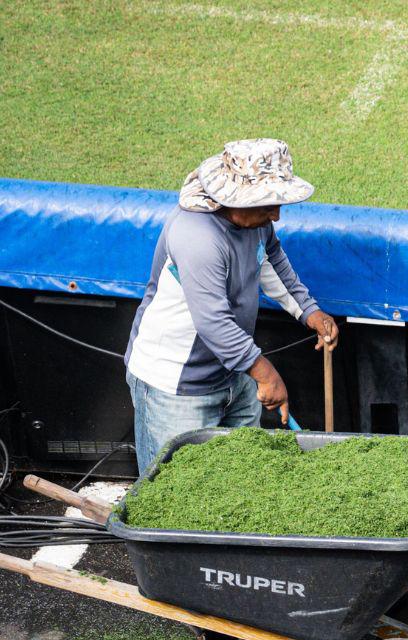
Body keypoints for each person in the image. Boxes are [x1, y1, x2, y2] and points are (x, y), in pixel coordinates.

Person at [124, 138, 339, 473]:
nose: (277, 215)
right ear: (232, 199)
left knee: (238, 479)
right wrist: (266, 375)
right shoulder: (198, 238)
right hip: (177, 389)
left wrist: (308, 310)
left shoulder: (255, 223)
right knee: (177, 495)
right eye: (268, 204)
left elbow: (268, 259)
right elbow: (213, 322)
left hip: (231, 374)